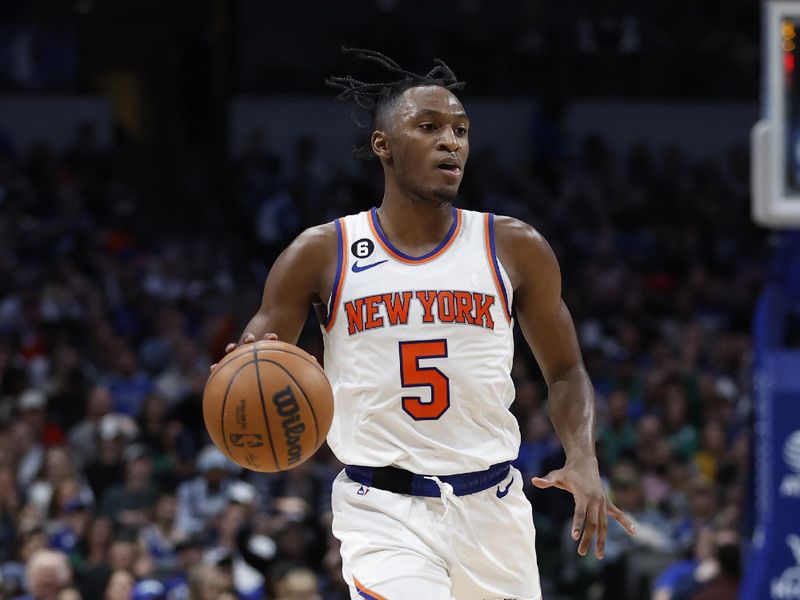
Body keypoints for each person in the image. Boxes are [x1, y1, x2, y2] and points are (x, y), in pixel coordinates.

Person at [215, 48, 635, 599]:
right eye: (430, 126)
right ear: (382, 145)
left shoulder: (513, 246)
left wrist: (582, 457)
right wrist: (245, 369)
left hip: (495, 511)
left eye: (461, 129)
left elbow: (565, 369)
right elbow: (259, 357)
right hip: (384, 511)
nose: (451, 141)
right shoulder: (323, 252)